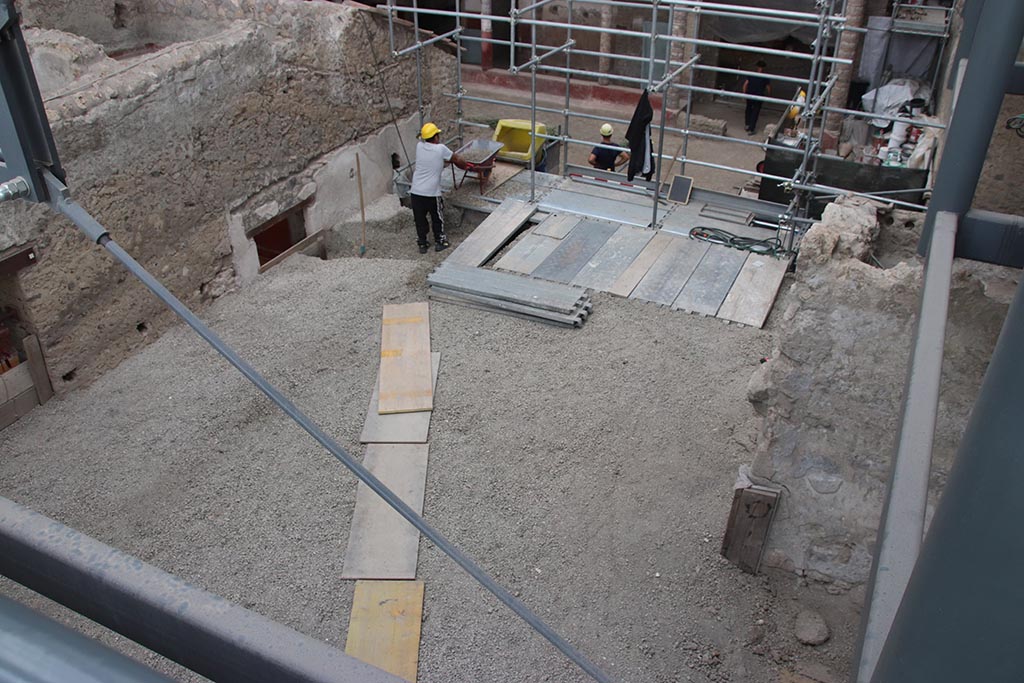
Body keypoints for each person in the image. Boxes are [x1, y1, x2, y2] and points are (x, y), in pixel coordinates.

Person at [410, 122, 466, 254]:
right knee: (437, 217)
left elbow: (434, 160)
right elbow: (457, 159)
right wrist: (466, 165)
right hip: (432, 193)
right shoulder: (441, 149)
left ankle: (422, 244)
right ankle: (440, 241)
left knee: (420, 219)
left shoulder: (419, 146)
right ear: (435, 137)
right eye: (438, 135)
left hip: (416, 192)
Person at [742, 60, 771, 136]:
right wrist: (769, 96)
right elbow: (768, 88)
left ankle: (747, 125)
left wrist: (744, 94)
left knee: (748, 109)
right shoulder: (765, 77)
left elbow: (745, 84)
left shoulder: (752, 74)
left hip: (750, 95)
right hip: (759, 96)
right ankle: (751, 128)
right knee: (755, 112)